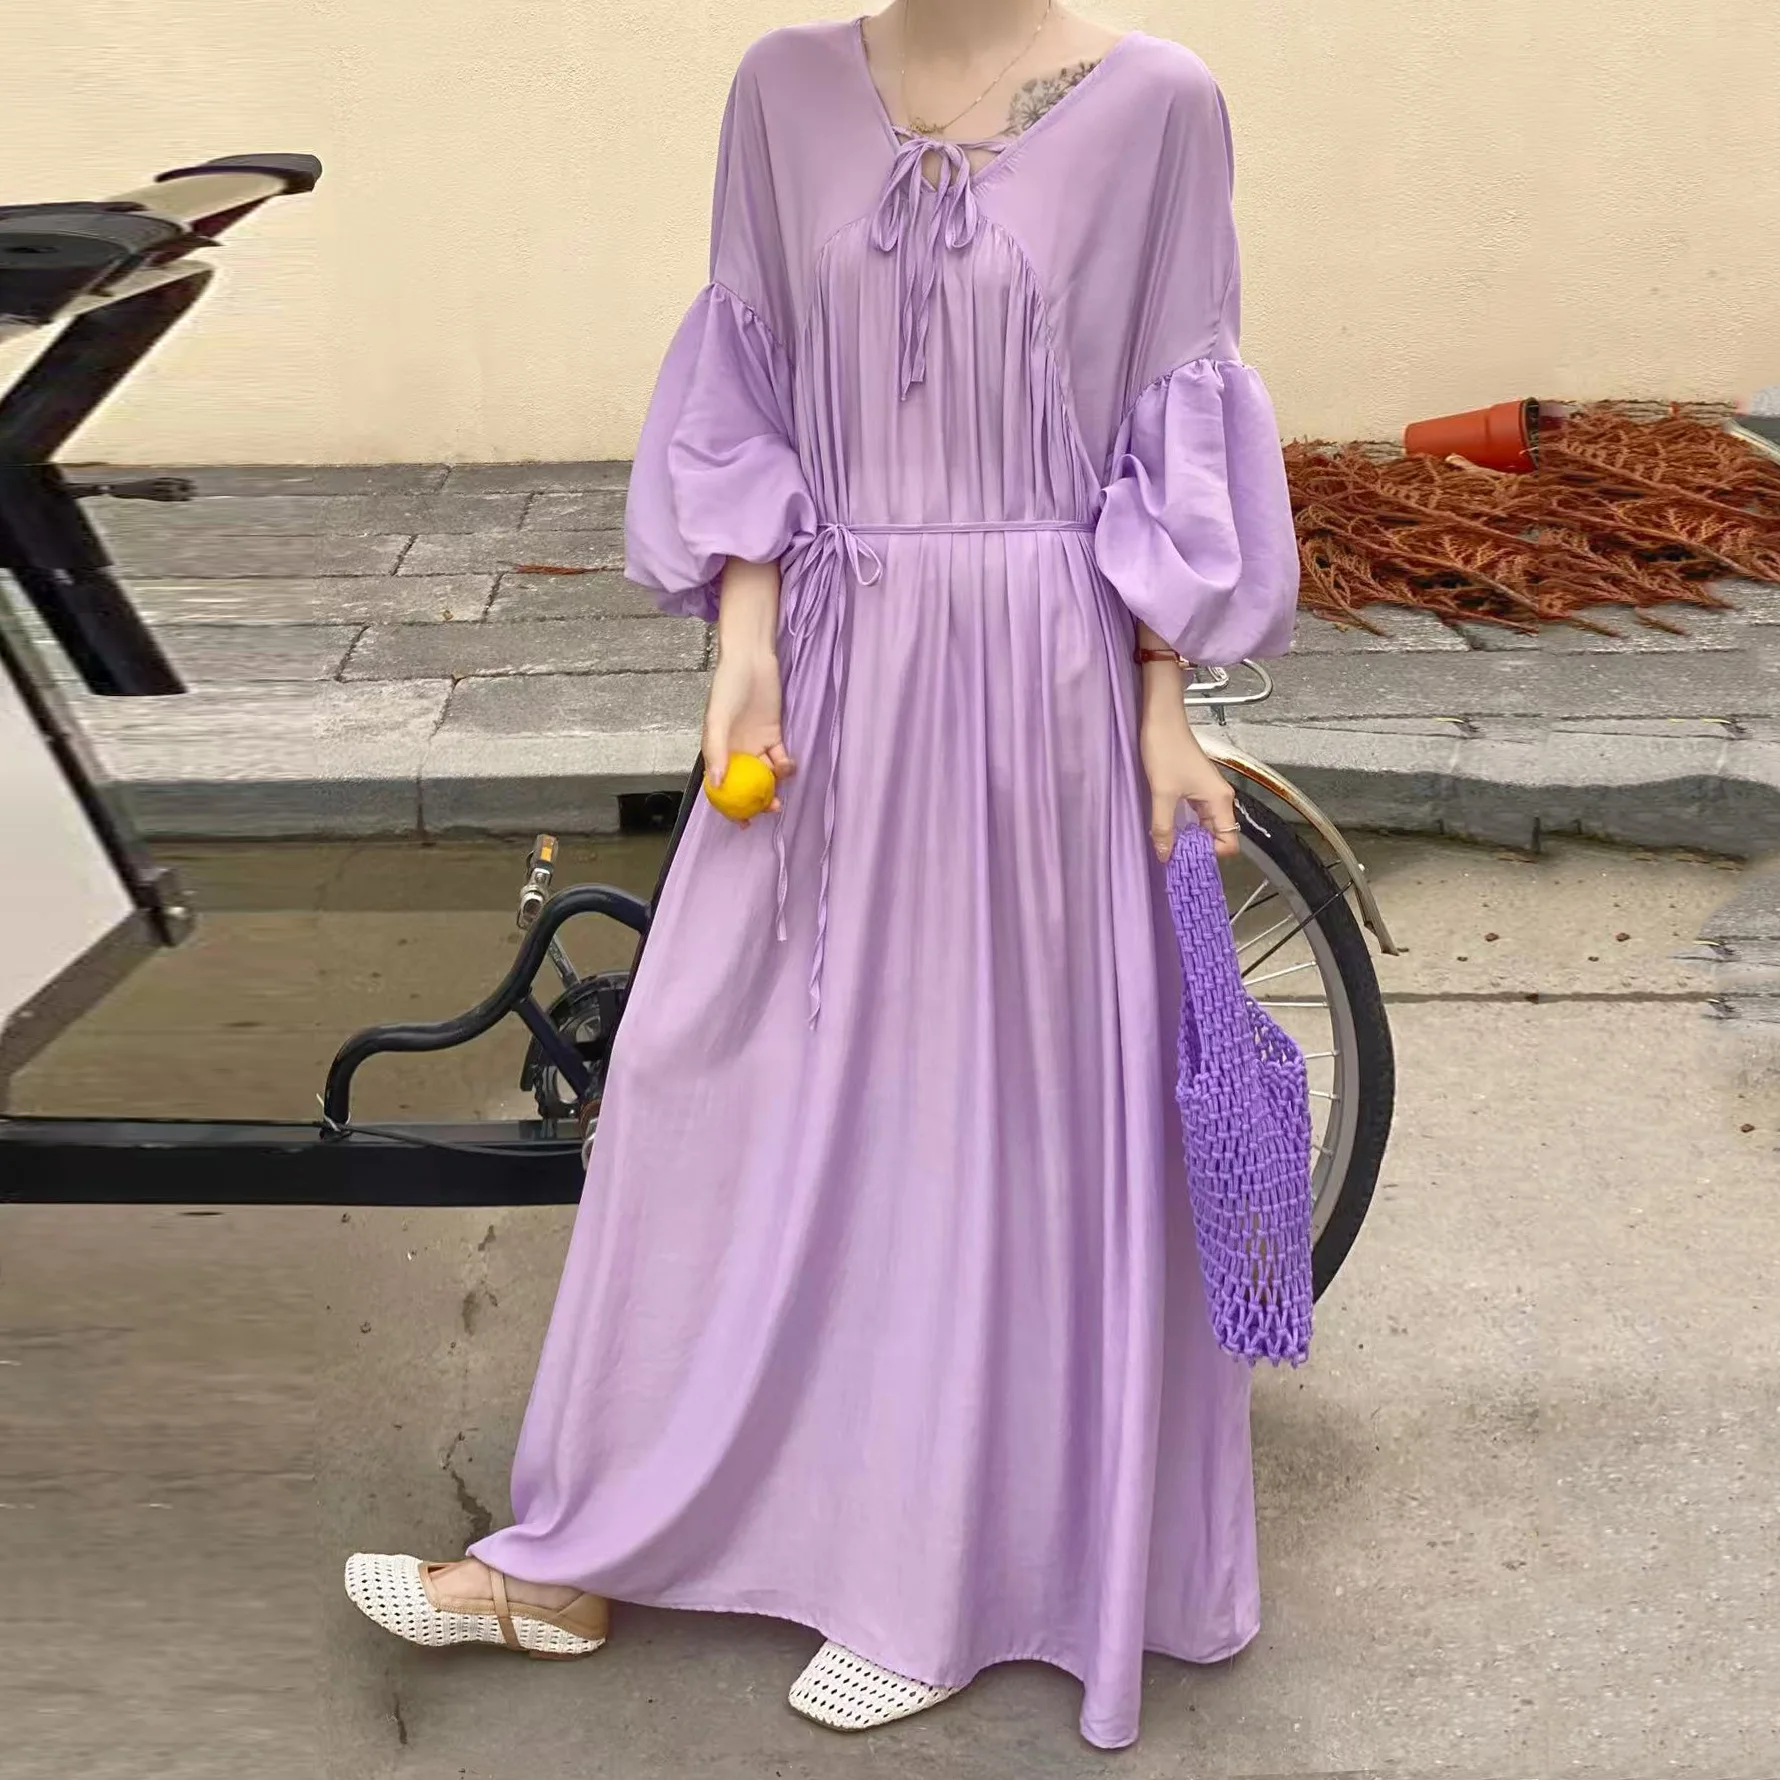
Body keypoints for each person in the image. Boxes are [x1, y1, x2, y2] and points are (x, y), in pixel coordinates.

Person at [346, 0, 1299, 1749]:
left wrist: (1166, 700)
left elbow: (1176, 411)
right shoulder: (782, 89)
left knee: (981, 1124)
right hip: (836, 679)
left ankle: (944, 1582)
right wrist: (747, 640)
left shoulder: (1158, 102)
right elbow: (751, 382)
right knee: (703, 1076)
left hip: (1039, 690)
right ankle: (586, 1549)